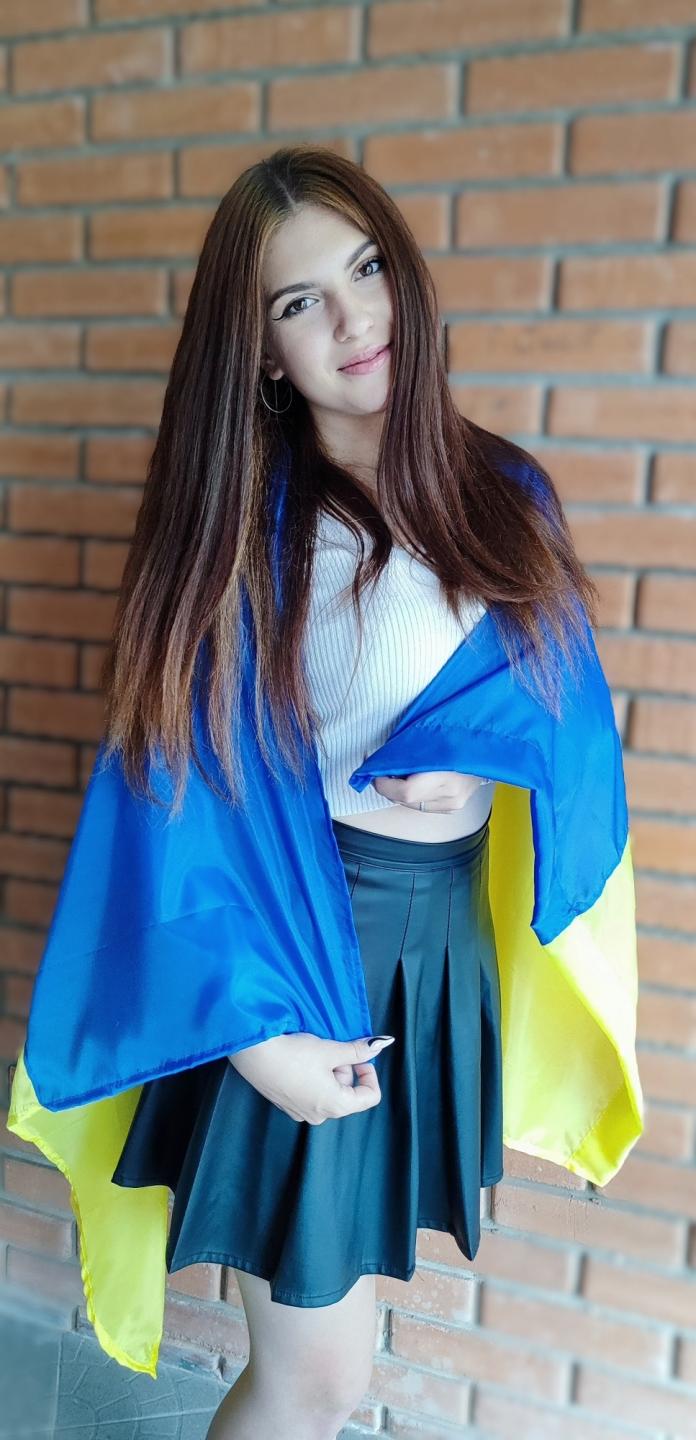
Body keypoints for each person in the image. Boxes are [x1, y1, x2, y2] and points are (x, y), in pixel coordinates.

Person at [7, 145, 643, 1440]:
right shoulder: (243, 535)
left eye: (366, 269)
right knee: (315, 1380)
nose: (356, 319)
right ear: (261, 352)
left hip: (437, 949)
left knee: (329, 1367)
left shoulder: (506, 493)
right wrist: (256, 1038)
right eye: (302, 301)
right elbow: (175, 803)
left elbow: (559, 723)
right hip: (304, 960)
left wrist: (476, 760)